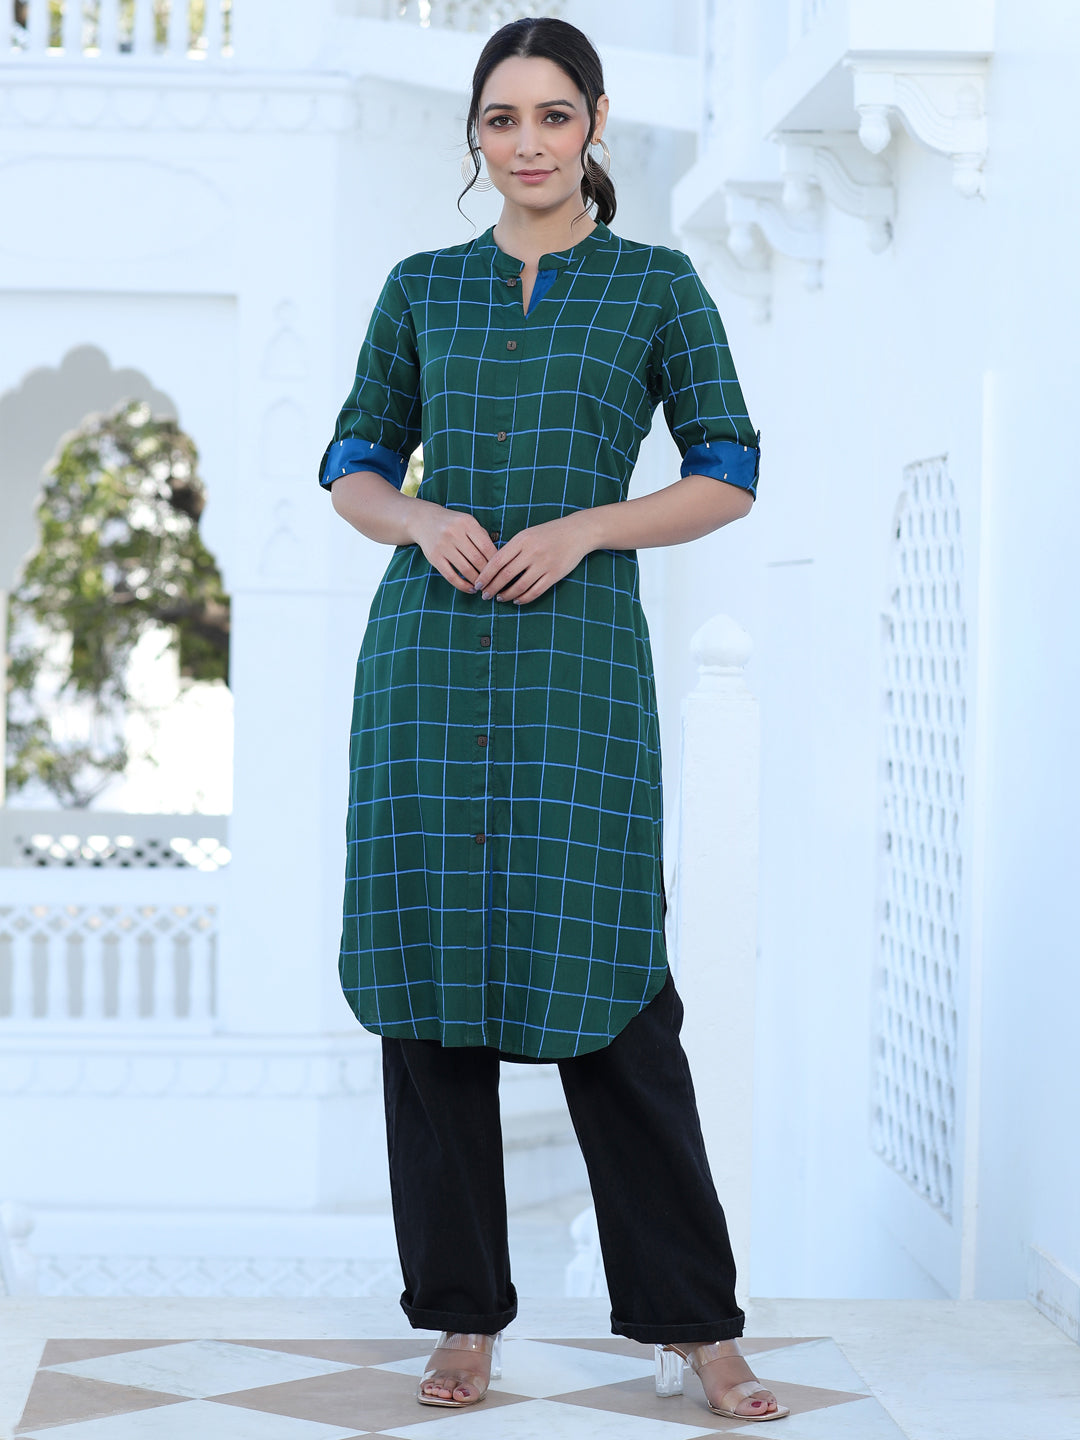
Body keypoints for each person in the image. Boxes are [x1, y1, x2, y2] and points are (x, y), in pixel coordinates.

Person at [318, 16, 788, 1426]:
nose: (526, 142)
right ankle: (462, 1319)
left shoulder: (655, 286)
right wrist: (422, 519)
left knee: (614, 990)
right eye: (501, 118)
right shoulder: (423, 288)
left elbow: (728, 469)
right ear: (477, 135)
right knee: (431, 986)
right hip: (426, 664)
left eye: (552, 115)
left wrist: (587, 526)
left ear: (595, 124)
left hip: (577, 664)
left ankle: (696, 1326)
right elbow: (352, 463)